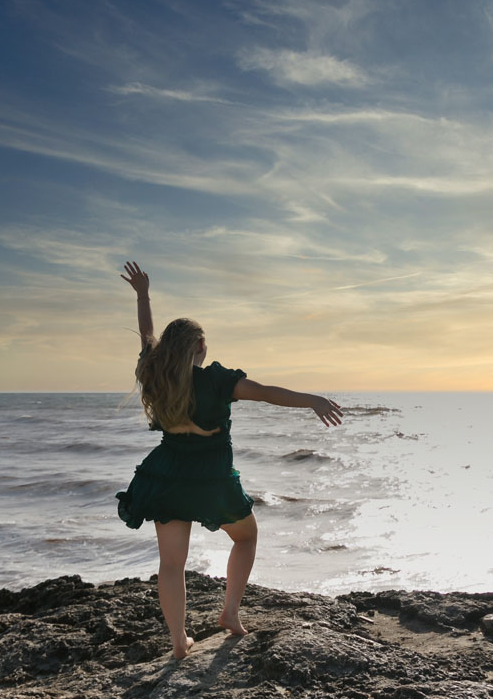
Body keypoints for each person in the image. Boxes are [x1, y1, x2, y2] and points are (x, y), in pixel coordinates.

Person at [115, 261, 343, 659]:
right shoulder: (217, 381)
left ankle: (178, 643)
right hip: (212, 477)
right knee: (247, 537)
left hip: (166, 472)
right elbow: (267, 392)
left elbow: (147, 335)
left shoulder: (153, 373)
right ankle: (230, 612)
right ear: (200, 346)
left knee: (171, 563)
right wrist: (311, 399)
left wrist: (142, 295)